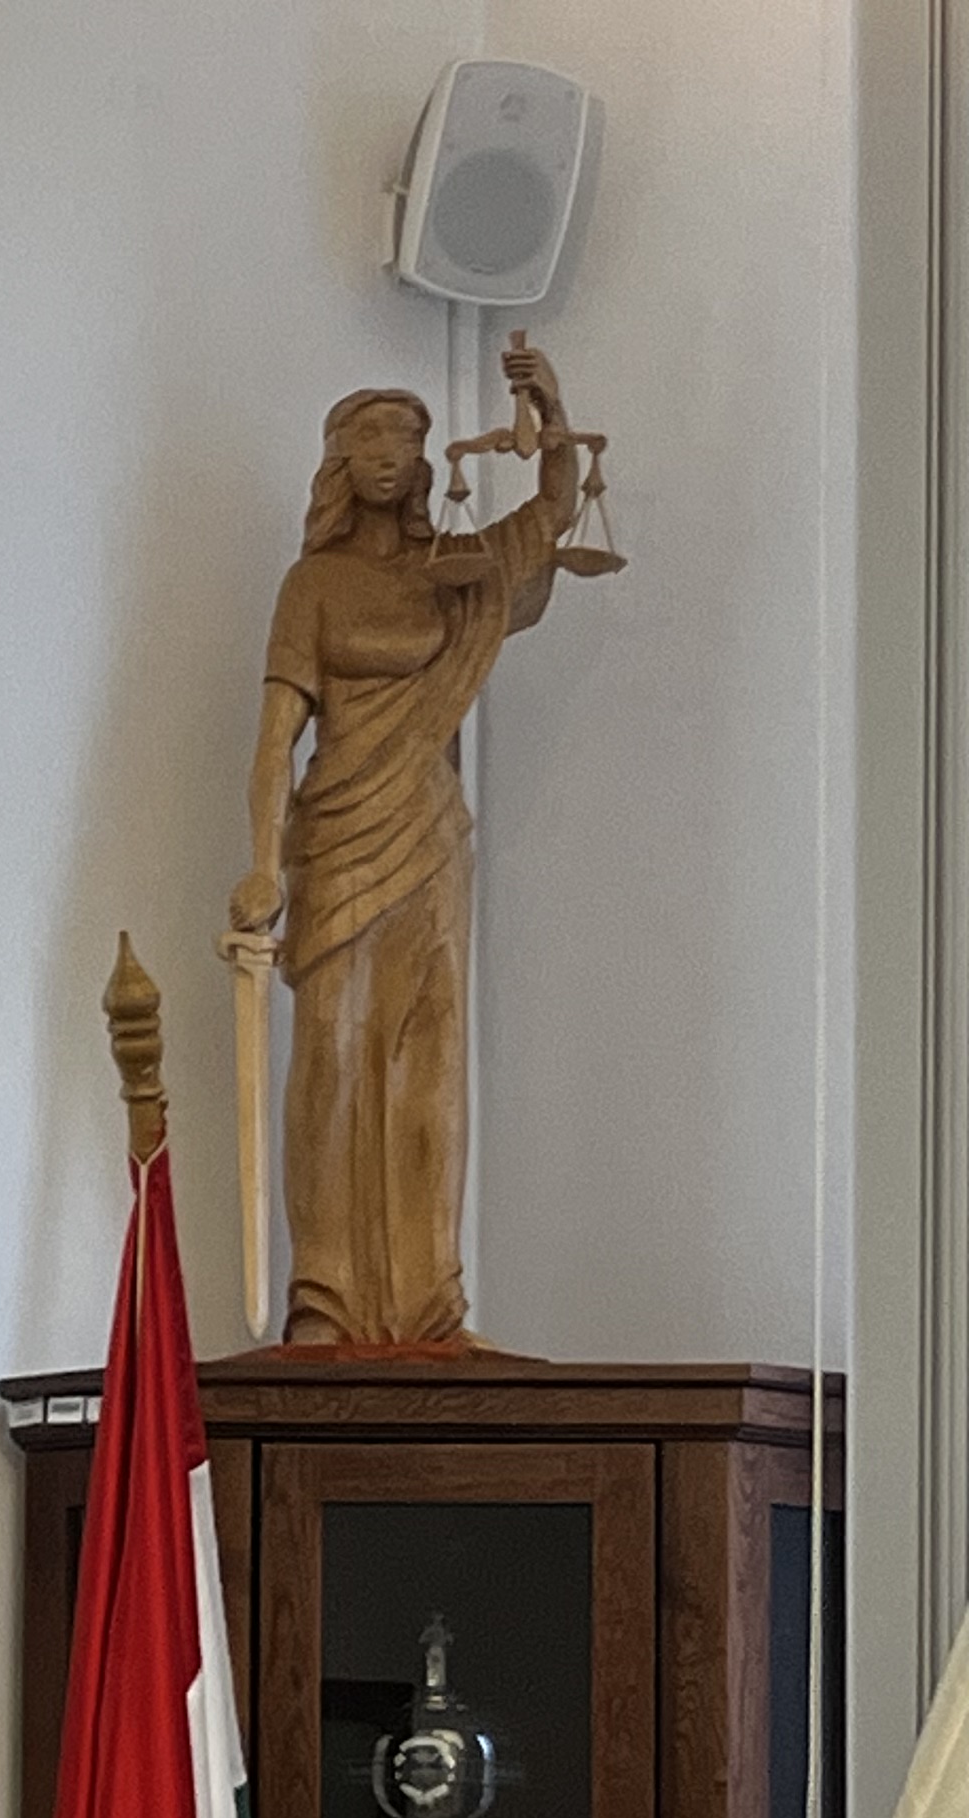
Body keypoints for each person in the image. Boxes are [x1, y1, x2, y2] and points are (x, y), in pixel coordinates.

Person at [231, 339, 603, 1347]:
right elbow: (274, 739)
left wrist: (551, 411)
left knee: (430, 1067)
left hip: (431, 837)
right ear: (340, 463)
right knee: (332, 1057)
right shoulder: (311, 586)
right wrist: (261, 861)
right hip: (337, 838)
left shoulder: (455, 574)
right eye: (371, 441)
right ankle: (323, 1298)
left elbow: (553, 513)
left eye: (406, 439)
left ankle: (435, 1304)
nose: (391, 456)